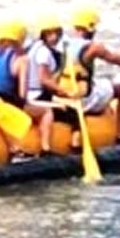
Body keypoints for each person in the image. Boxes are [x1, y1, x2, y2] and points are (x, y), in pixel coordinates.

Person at [61, 7, 120, 143]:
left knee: (100, 82)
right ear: (91, 28)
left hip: (62, 96)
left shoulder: (62, 43)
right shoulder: (94, 48)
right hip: (83, 100)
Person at [0, 20, 46, 159]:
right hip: (5, 103)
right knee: (46, 112)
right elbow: (22, 95)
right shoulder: (22, 59)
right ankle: (46, 148)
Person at [22, 15, 72, 155]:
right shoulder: (44, 52)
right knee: (71, 115)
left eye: (56, 33)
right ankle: (47, 147)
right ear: (42, 35)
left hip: (31, 94)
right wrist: (64, 91)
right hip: (38, 96)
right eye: (49, 34)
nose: (54, 37)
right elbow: (44, 79)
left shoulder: (33, 47)